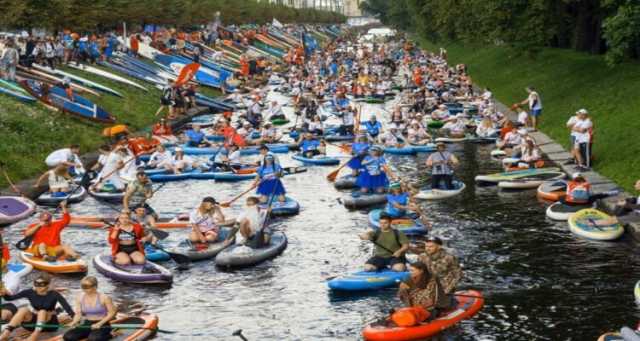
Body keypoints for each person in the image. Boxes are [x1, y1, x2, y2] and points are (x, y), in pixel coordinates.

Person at [0, 273, 75, 341]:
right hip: (34, 323)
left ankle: (34, 336)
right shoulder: (29, 292)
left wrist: (75, 319)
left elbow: (67, 307)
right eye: (36, 284)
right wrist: (4, 293)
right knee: (23, 309)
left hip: (49, 324)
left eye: (41, 284)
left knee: (42, 311)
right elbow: (10, 298)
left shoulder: (54, 294)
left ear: (47, 285)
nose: (38, 286)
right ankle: (6, 334)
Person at [63, 276, 117, 341]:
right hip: (87, 323)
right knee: (68, 337)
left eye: (87, 287)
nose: (84, 290)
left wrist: (99, 324)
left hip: (103, 323)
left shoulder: (104, 297)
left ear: (95, 287)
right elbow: (78, 314)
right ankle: (90, 333)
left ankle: (111, 334)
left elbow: (112, 313)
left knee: (93, 339)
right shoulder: (79, 297)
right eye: (83, 287)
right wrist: (73, 322)